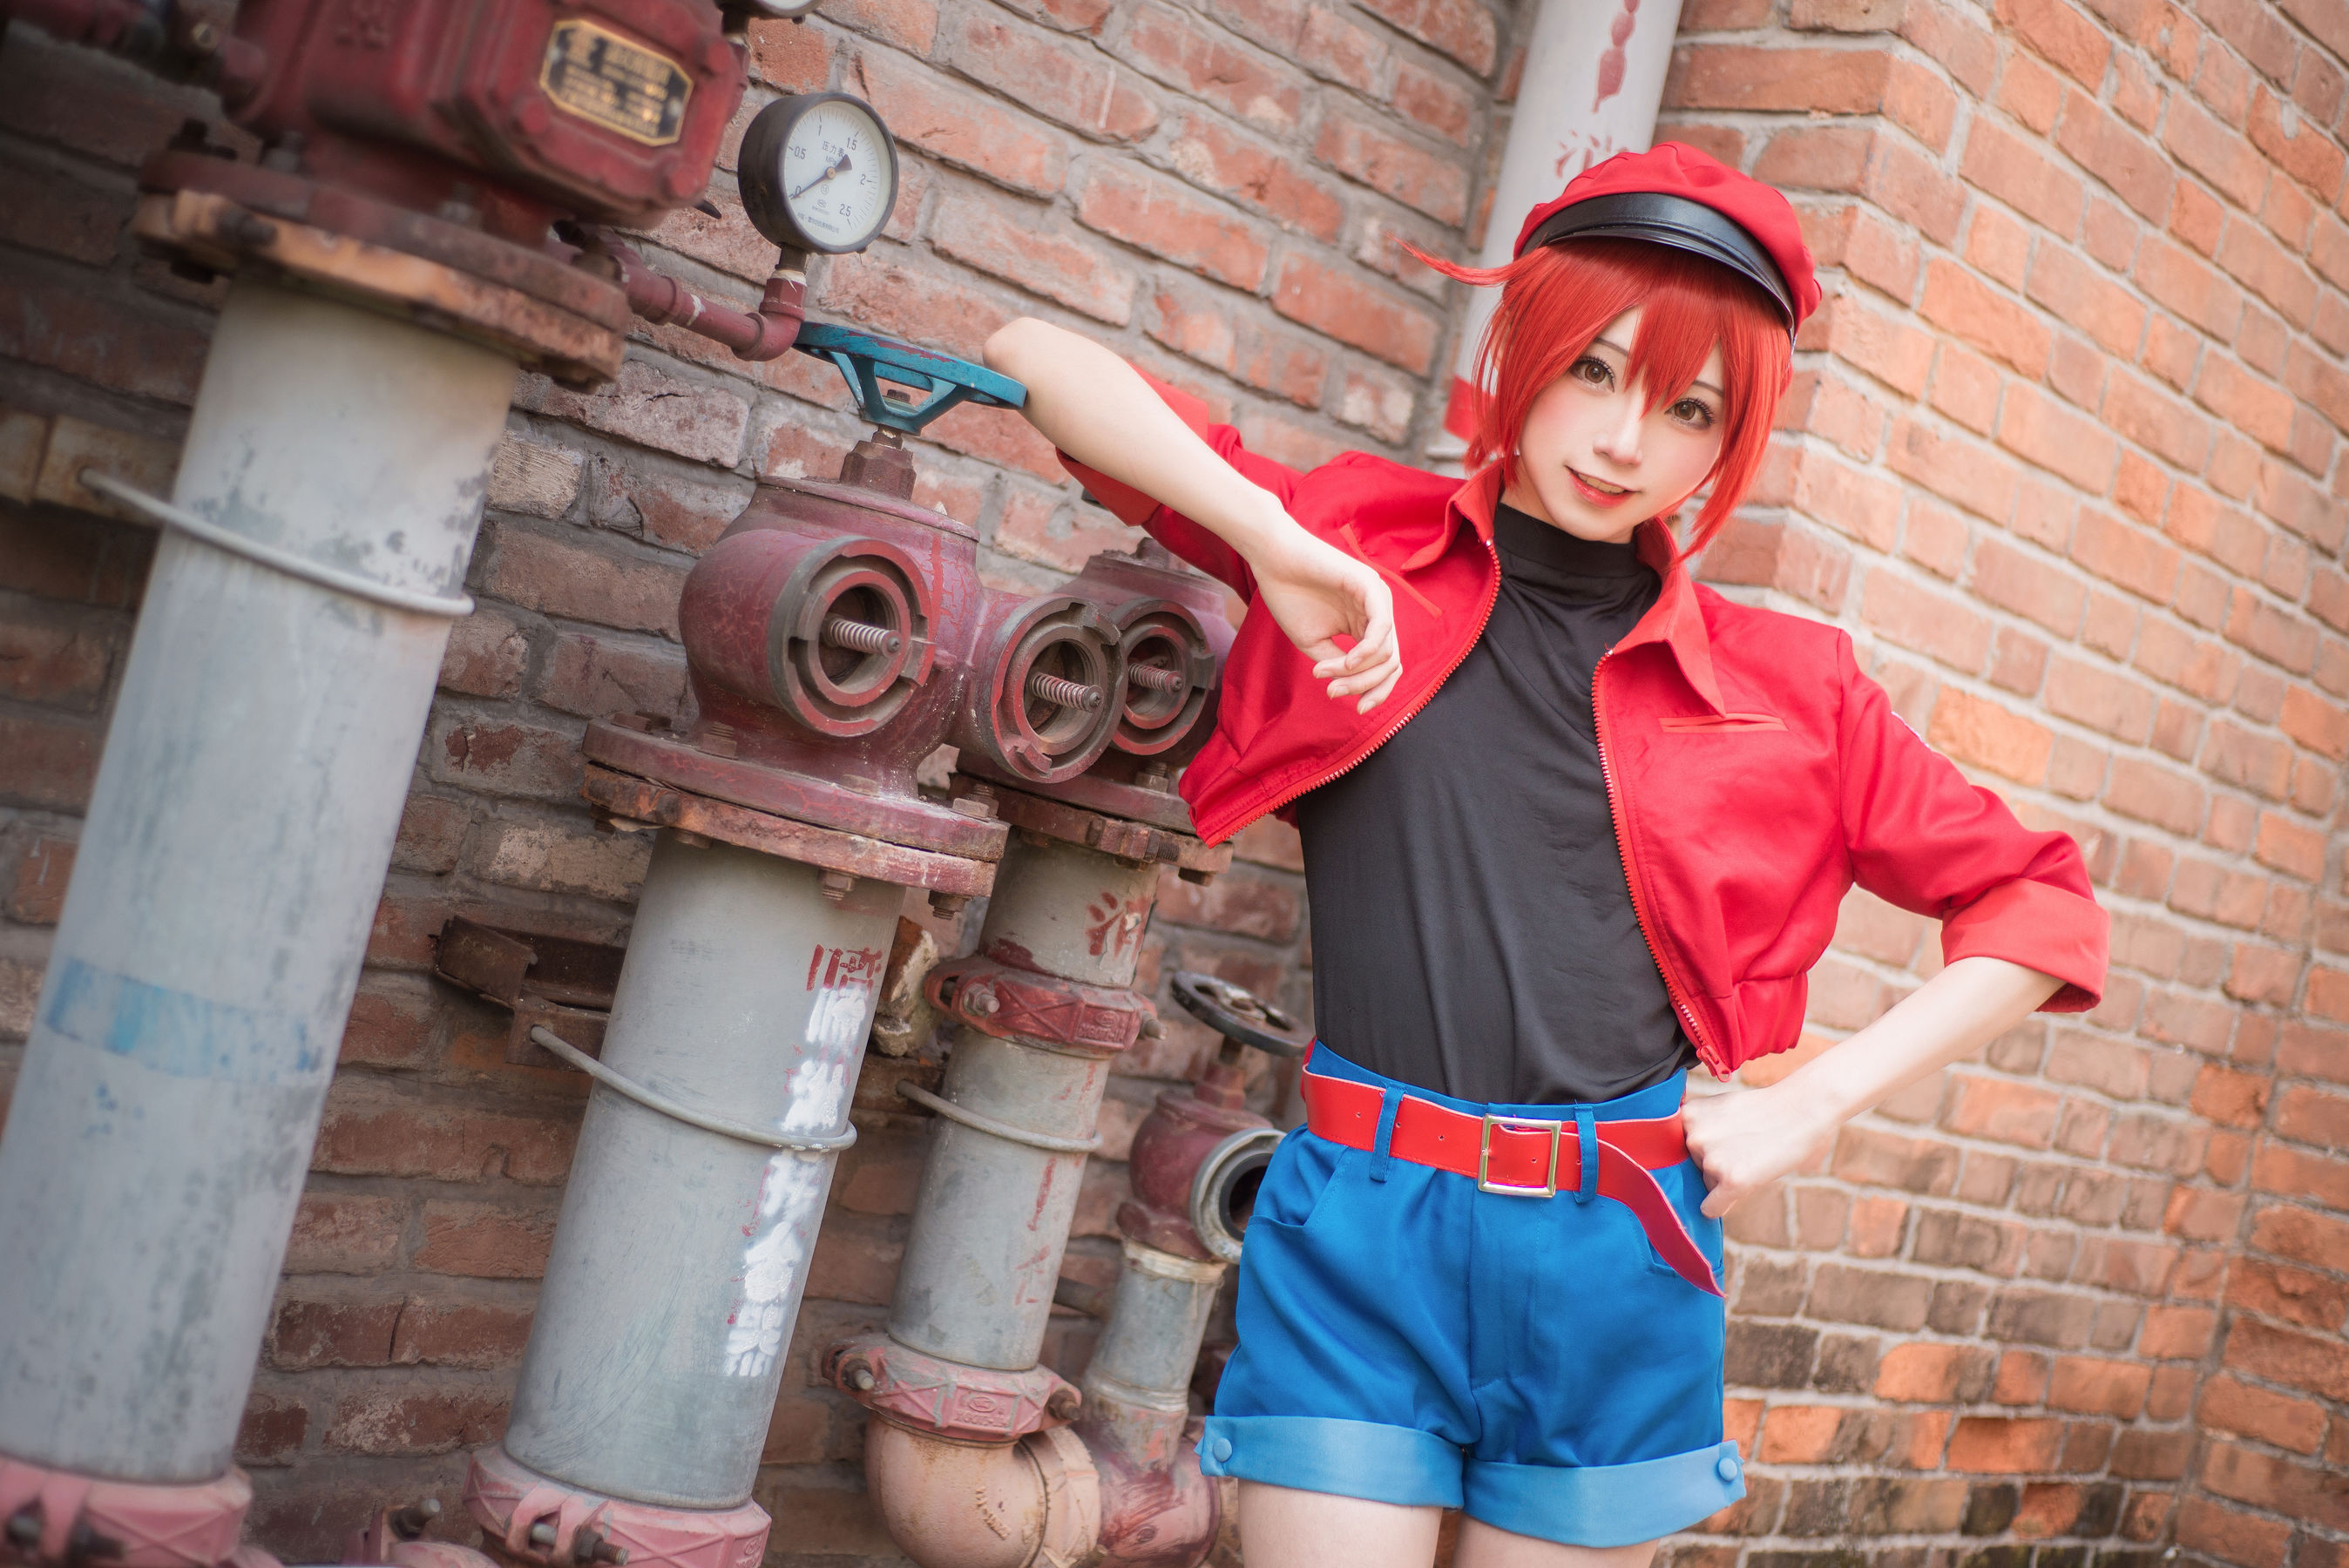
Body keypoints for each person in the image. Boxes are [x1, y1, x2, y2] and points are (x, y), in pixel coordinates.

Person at [983, 143, 2109, 1568]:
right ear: (1529, 348)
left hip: (1615, 1259)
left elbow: (2040, 902)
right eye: (1594, 369)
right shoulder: (1363, 560)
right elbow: (1030, 359)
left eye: (1687, 408)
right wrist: (1268, 540)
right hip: (1364, 1230)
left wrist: (1817, 1103)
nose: (1624, 440)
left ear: (1727, 442)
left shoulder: (1792, 687)